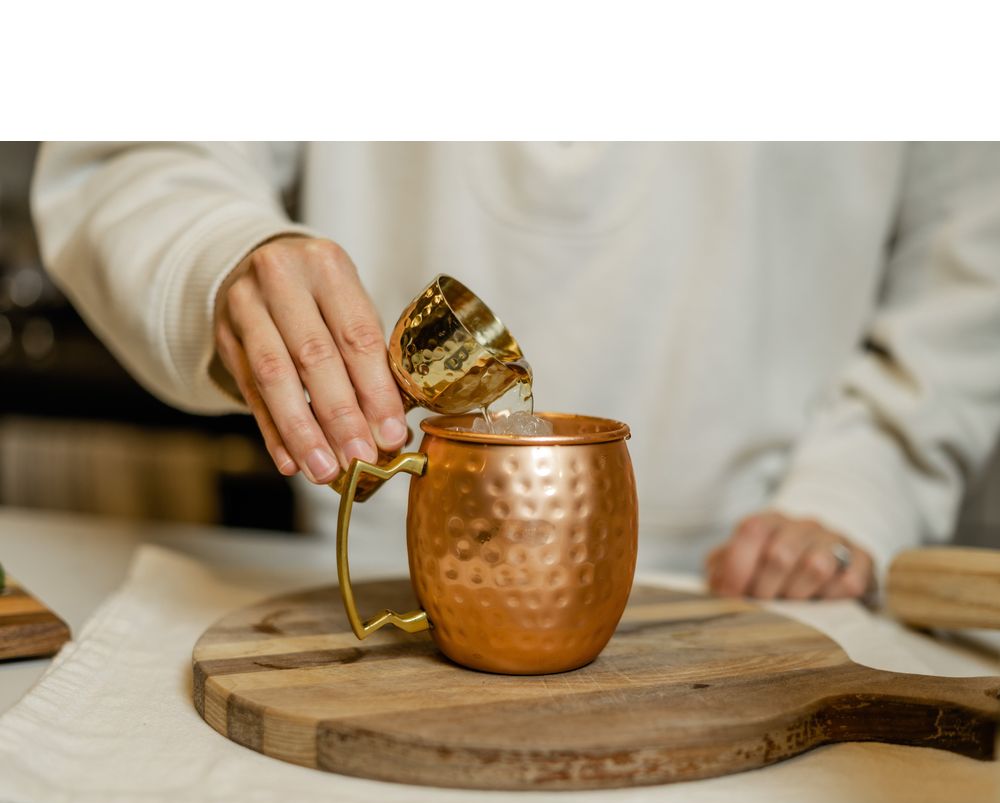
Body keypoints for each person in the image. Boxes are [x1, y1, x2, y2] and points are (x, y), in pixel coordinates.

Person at [31, 143, 1000, 599]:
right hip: (372, 580)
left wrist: (863, 479)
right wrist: (217, 251)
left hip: (768, 580)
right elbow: (134, 147)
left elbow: (973, 248)